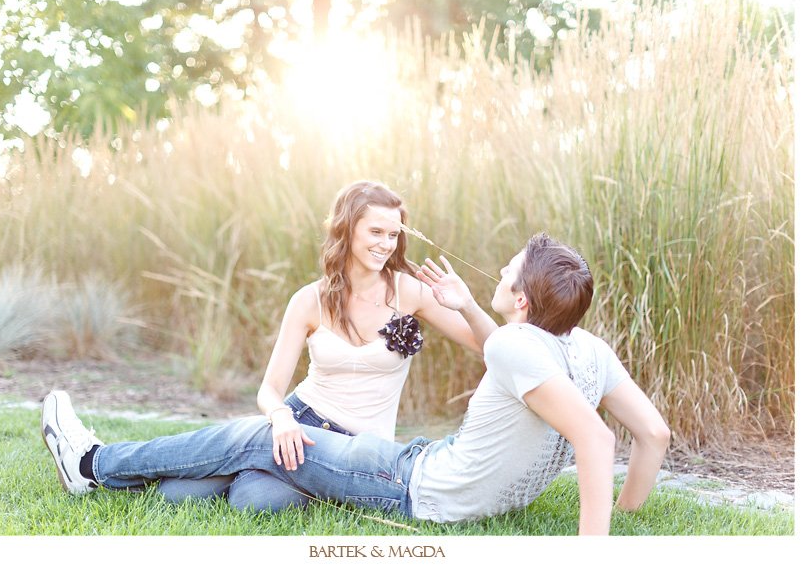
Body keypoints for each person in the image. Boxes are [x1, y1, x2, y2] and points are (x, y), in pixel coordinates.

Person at [41, 233, 670, 535]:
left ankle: (92, 462)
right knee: (259, 468)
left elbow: (596, 440)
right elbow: (654, 434)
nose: (501, 268)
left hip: (408, 482)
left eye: (509, 271)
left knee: (258, 443)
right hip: (416, 465)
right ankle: (116, 476)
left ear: (524, 300)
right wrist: (631, 513)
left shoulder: (512, 344)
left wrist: (595, 548)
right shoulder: (588, 350)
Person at [154, 180, 497, 511]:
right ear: (347, 230)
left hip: (355, 450)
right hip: (300, 420)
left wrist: (467, 304)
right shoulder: (310, 300)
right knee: (175, 492)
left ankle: (246, 462)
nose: (386, 244)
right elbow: (269, 390)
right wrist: (282, 418)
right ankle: (237, 457)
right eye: (375, 232)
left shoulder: (408, 291)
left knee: (253, 501)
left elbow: (494, 349)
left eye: (393, 235)